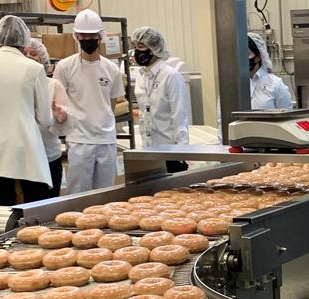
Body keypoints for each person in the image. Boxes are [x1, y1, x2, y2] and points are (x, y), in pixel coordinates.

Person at [0, 15, 58, 205]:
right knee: (34, 209)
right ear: (25, 38)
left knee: (4, 206)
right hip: (24, 150)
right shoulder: (33, 68)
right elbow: (44, 118)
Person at [53, 9, 124, 195]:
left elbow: (111, 104)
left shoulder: (111, 69)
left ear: (100, 36)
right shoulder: (65, 67)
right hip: (79, 139)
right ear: (76, 36)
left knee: (106, 194)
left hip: (106, 139)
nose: (88, 39)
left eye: (92, 35)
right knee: (78, 194)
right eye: (83, 35)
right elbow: (59, 103)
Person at [132, 26, 190, 172]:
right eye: (135, 47)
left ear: (154, 49)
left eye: (141, 47)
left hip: (171, 150)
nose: (137, 52)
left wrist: (182, 151)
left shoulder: (171, 76)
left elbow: (180, 115)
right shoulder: (141, 76)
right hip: (149, 149)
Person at [25, 38, 71, 194]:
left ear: (43, 59)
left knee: (49, 204)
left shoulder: (53, 85)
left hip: (49, 154)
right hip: (23, 158)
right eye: (25, 54)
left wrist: (62, 117)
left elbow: (66, 123)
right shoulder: (14, 87)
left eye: (34, 54)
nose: (30, 57)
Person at [248, 33, 291, 110]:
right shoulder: (232, 85)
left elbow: (286, 116)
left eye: (247, 54)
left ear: (258, 57)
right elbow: (221, 118)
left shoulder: (275, 84)